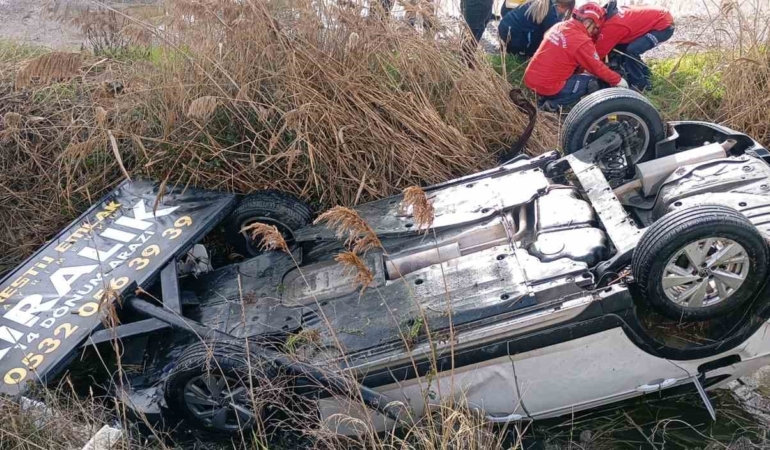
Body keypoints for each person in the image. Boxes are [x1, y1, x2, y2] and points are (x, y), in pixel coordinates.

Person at [524, 2, 628, 111]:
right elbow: (597, 68)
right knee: (592, 82)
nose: (593, 32)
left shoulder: (559, 26)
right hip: (546, 86)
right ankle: (551, 105)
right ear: (588, 22)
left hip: (530, 79)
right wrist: (618, 80)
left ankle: (543, 96)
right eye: (595, 28)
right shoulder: (582, 41)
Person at [594, 2, 675, 91]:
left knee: (632, 50)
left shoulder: (612, 25)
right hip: (659, 17)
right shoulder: (609, 16)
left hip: (663, 25)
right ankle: (646, 75)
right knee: (621, 48)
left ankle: (641, 85)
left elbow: (597, 55)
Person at [498, 0, 575, 57]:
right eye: (565, 10)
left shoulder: (542, 3)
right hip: (513, 39)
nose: (564, 12)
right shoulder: (551, 12)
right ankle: (523, 54)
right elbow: (554, 35)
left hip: (503, 30)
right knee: (546, 36)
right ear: (561, 6)